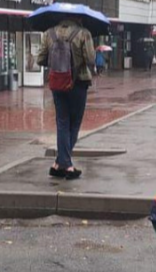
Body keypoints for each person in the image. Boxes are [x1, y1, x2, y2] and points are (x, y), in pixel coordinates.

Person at [38, 16, 96, 180]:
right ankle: (68, 166)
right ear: (77, 17)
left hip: (57, 83)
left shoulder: (49, 33)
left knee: (62, 122)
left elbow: (40, 59)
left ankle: (58, 164)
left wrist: (56, 64)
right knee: (75, 122)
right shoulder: (84, 33)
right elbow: (91, 59)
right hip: (78, 83)